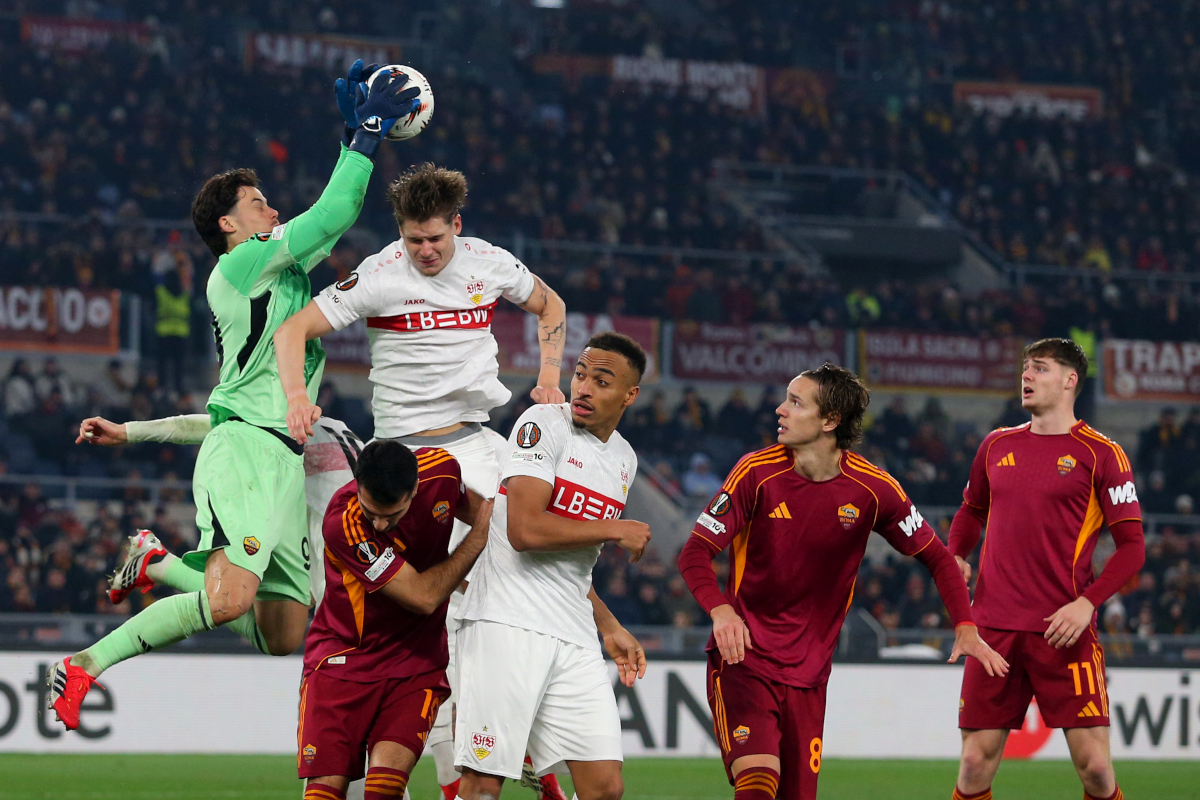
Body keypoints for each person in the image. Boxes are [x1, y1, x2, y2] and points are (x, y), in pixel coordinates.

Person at [46, 61, 423, 730]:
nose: (273, 212)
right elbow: (331, 213)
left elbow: (224, 408)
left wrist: (131, 432)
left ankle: (157, 563)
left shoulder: (277, 280)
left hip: (276, 458)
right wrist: (367, 137)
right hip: (247, 458)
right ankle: (84, 664)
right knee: (227, 601)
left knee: (281, 632)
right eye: (258, 204)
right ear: (228, 224)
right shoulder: (240, 265)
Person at [273, 161, 569, 800]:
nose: (425, 251)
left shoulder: (489, 262)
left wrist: (549, 377)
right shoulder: (379, 274)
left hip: (479, 446)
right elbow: (293, 330)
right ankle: (460, 762)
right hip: (406, 460)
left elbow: (550, 304)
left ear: (456, 225)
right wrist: (297, 396)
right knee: (426, 611)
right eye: (414, 240)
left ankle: (519, 741)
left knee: (523, 585)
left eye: (435, 238)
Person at [677, 363, 1007, 800]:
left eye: (796, 403)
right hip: (744, 659)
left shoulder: (872, 488)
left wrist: (964, 627)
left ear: (830, 420)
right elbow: (694, 552)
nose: (780, 410)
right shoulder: (756, 472)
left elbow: (939, 559)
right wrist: (721, 612)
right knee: (758, 782)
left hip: (810, 674)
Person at [454, 332, 653, 800]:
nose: (583, 388)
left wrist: (608, 625)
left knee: (604, 788)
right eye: (580, 374)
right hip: (505, 621)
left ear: (629, 395)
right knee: (483, 784)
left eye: (601, 381)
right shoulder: (543, 423)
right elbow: (524, 531)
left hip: (573, 633)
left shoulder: (624, 459)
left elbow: (573, 566)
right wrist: (613, 528)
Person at [948, 339, 1145, 800]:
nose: (1027, 375)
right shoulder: (996, 444)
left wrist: (1086, 603)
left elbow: (1132, 548)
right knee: (973, 765)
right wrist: (957, 553)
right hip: (993, 628)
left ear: (1070, 380)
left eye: (1039, 368)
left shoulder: (1102, 453)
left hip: (1063, 630)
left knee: (1097, 769)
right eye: (1025, 368)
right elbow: (971, 510)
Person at [300, 440, 491, 800]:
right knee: (324, 793)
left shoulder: (442, 472)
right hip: (343, 661)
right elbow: (423, 597)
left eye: (391, 514)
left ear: (415, 489)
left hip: (414, 663)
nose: (380, 523)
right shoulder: (344, 522)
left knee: (384, 790)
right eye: (371, 511)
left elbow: (487, 514)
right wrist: (476, 540)